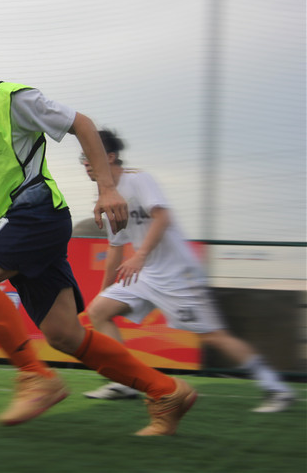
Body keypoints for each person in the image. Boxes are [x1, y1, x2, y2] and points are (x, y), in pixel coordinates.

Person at [0, 8, 197, 436]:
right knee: (64, 334)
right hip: (20, 225)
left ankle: (35, 377)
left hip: (38, 211)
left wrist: (107, 188)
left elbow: (82, 124)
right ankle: (167, 391)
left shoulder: (12, 99)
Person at [81, 129, 294, 413]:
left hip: (179, 274)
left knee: (213, 336)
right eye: (83, 158)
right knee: (99, 311)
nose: (86, 163)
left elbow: (163, 217)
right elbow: (115, 248)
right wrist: (104, 291)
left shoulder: (138, 180)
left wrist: (140, 256)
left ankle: (277, 388)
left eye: (90, 155)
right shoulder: (108, 200)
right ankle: (124, 382)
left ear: (109, 157)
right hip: (146, 274)